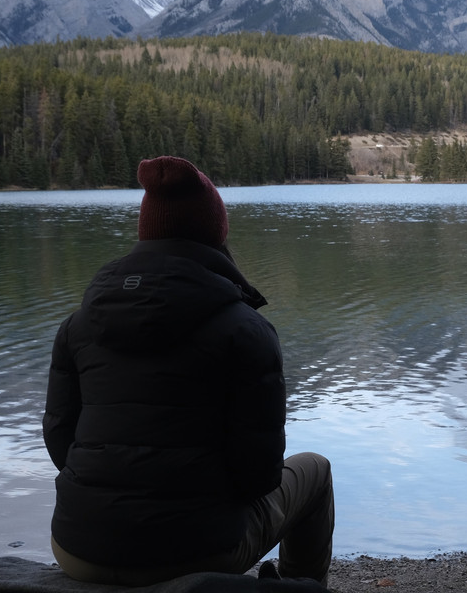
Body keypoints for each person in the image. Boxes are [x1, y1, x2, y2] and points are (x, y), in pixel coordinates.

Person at [43, 156, 334, 587]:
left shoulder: (79, 323)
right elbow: (258, 474)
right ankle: (299, 586)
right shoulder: (246, 329)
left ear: (146, 231)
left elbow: (60, 443)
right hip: (196, 554)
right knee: (316, 470)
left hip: (78, 547)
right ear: (215, 231)